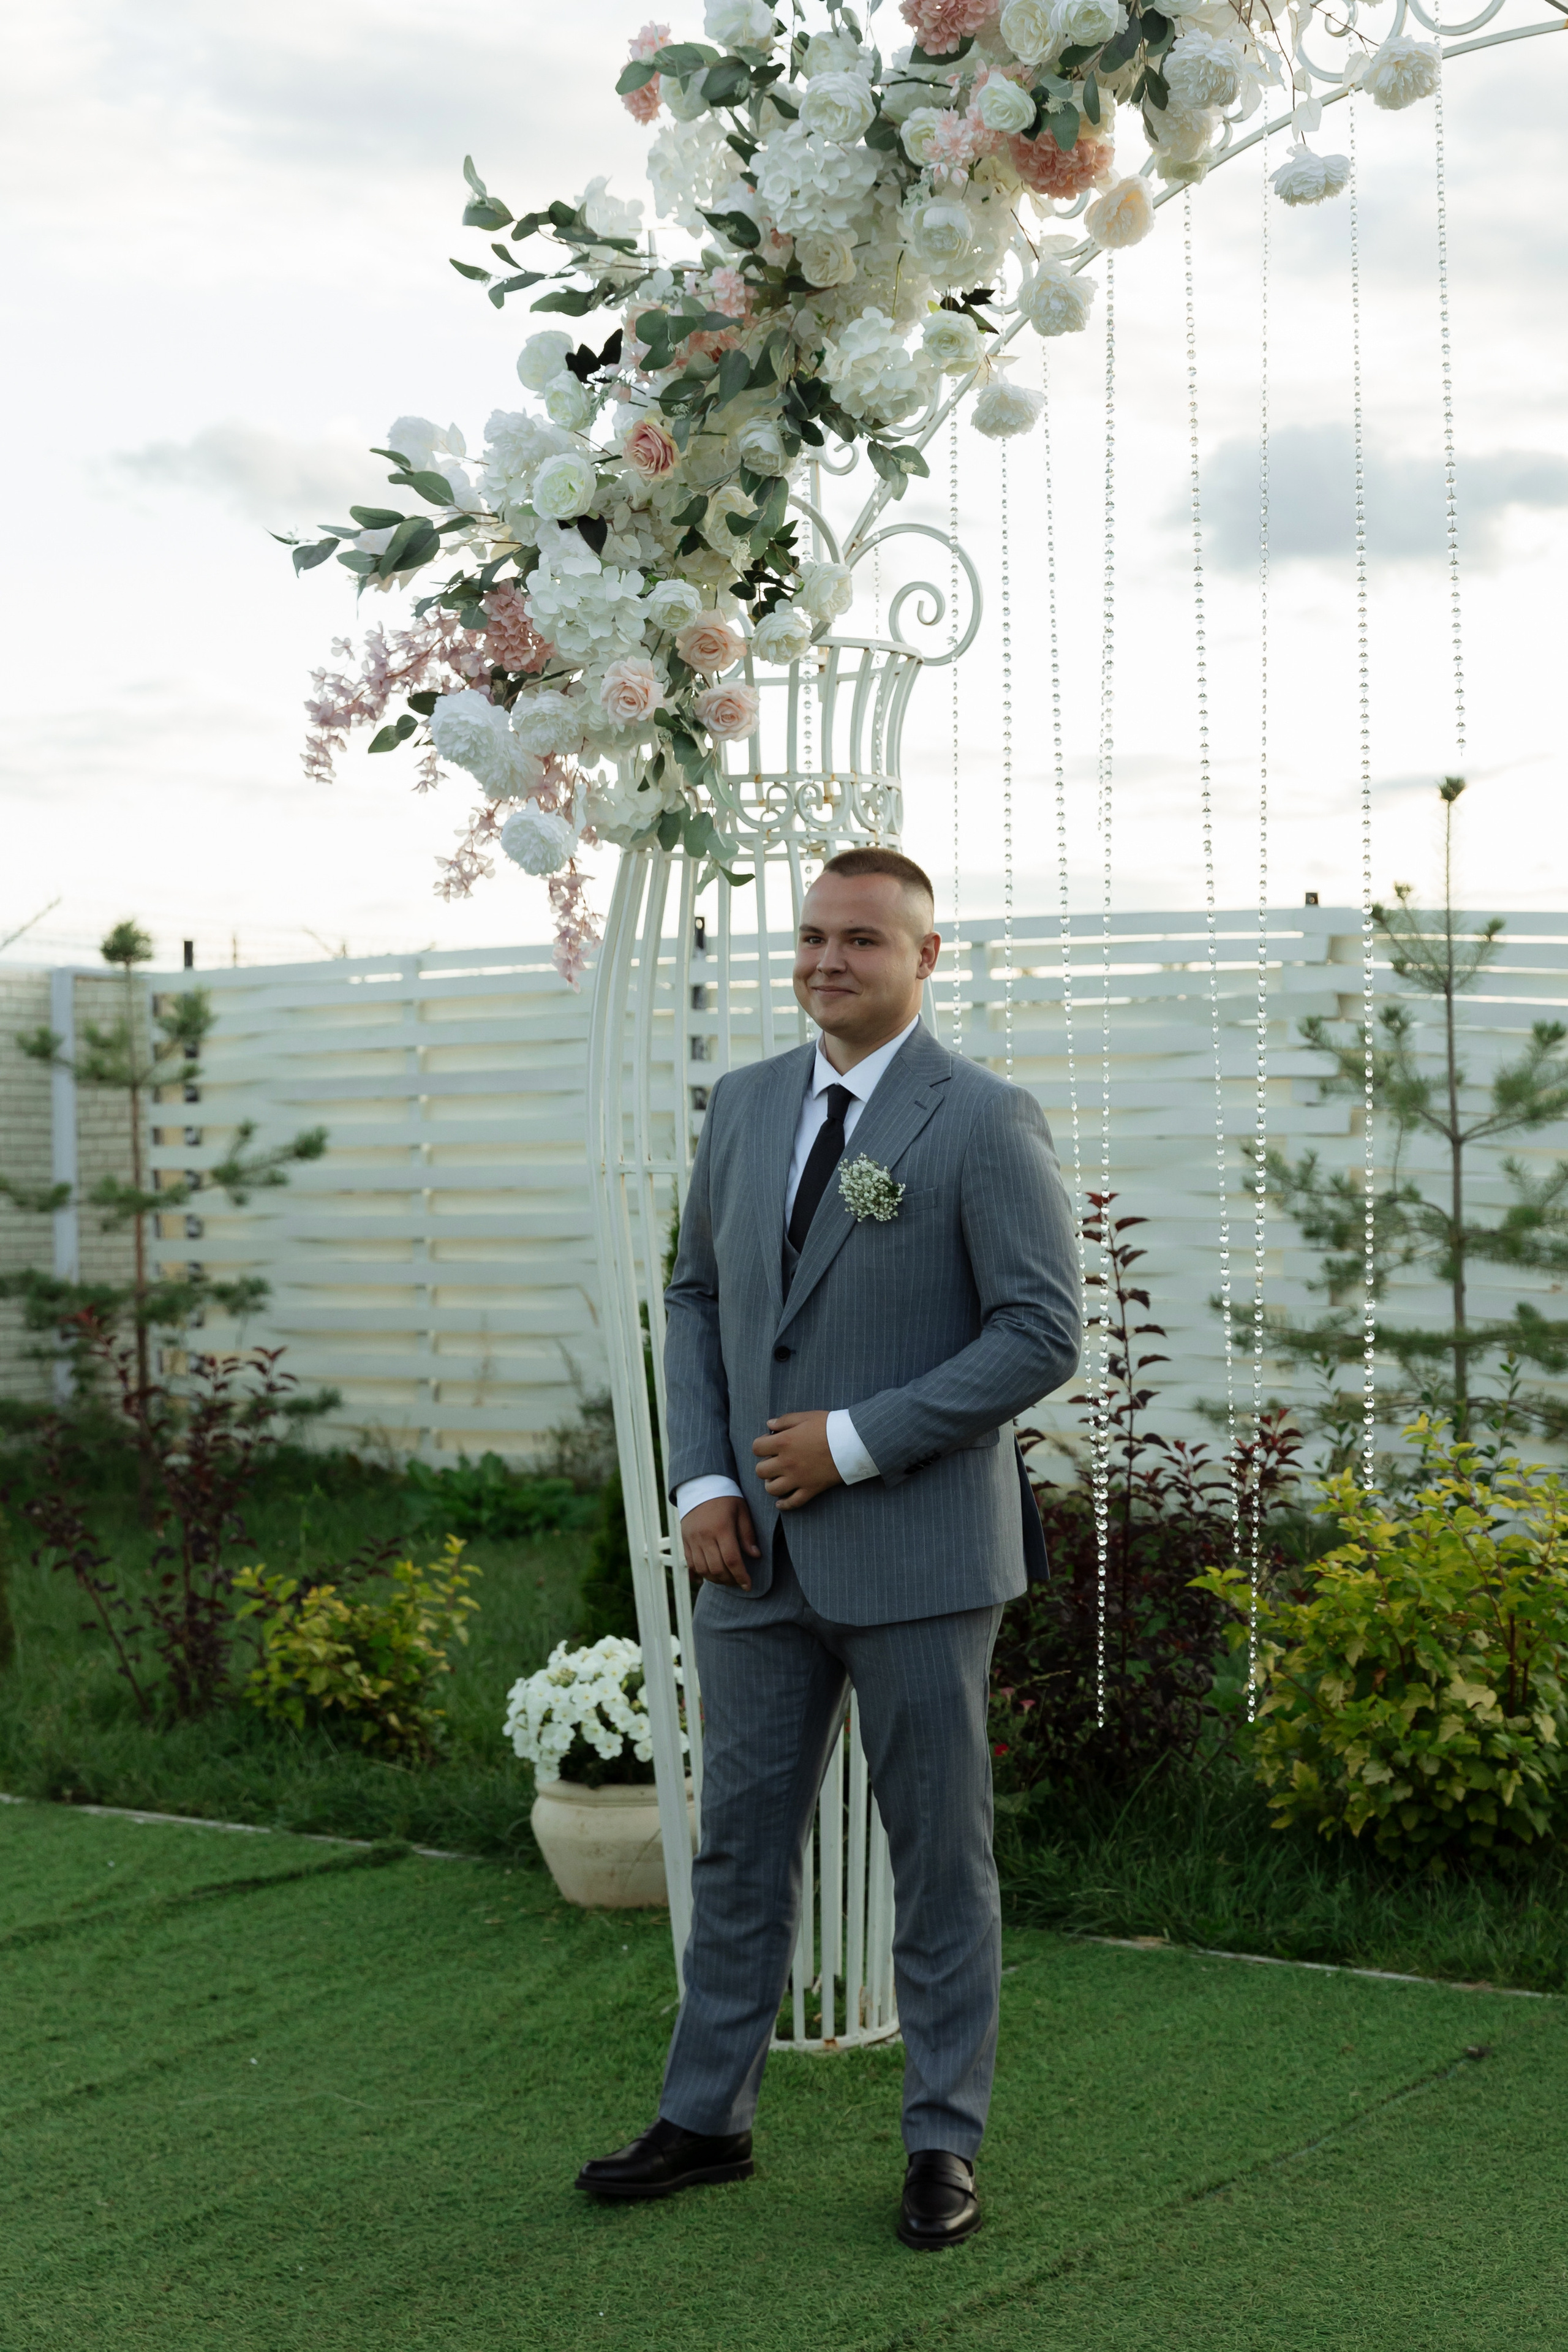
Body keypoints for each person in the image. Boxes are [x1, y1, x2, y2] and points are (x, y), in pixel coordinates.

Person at [575, 847, 1081, 2247]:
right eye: (810, 936)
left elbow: (1040, 1333)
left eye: (860, 939)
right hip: (749, 1560)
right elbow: (693, 1299)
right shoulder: (741, 1106)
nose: (825, 961)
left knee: (938, 1857)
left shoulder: (980, 1119)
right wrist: (698, 1483)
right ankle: (705, 2120)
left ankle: (939, 2144)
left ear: (926, 959)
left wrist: (853, 1440)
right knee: (737, 1848)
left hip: (917, 1557)